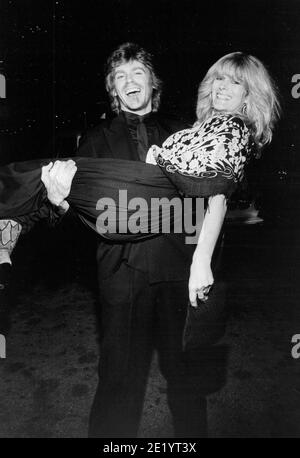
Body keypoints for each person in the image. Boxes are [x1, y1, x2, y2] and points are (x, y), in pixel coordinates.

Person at [0, 46, 280, 437]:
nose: (130, 82)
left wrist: (202, 259)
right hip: (122, 271)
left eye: (138, 73)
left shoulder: (186, 128)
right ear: (113, 89)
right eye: (120, 76)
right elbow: (77, 212)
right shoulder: (95, 140)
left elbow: (216, 189)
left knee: (186, 381)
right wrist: (60, 199)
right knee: (117, 379)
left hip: (178, 269)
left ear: (153, 81)